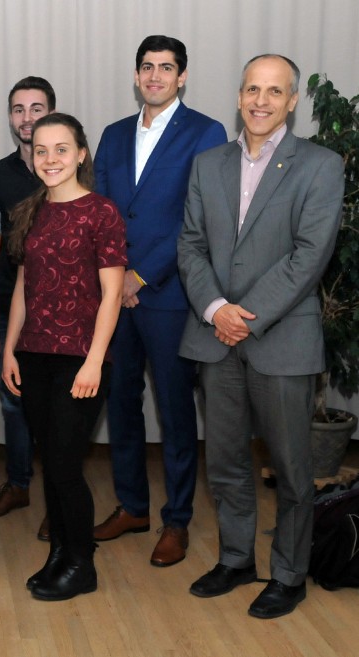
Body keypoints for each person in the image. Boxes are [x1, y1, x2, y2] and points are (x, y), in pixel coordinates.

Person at [178, 54, 343, 619]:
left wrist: (243, 315)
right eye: (252, 88)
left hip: (280, 340)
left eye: (275, 91)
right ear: (239, 94)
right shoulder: (208, 164)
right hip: (214, 336)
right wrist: (216, 309)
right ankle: (235, 559)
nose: (261, 101)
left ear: (293, 101)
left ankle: (290, 574)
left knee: (293, 470)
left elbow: (309, 257)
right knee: (224, 462)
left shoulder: (320, 165)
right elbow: (190, 246)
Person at [93, 35, 227, 567]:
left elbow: (198, 219)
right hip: (114, 295)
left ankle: (177, 521)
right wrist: (115, 276)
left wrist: (142, 275)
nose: (155, 76)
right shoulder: (113, 134)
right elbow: (103, 211)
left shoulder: (206, 132)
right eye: (147, 67)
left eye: (166, 68)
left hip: (169, 295)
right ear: (136, 74)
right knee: (120, 403)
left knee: (174, 411)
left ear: (182, 76)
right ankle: (131, 506)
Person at [3, 113, 126, 602]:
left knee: (66, 465)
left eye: (60, 149)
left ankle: (82, 564)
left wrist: (95, 361)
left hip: (81, 356)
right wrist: (10, 350)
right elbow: (21, 289)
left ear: (80, 154)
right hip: (34, 354)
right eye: (40, 150)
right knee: (49, 462)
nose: (49, 158)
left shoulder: (102, 212)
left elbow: (112, 295)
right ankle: (59, 553)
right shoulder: (30, 211)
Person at [0, 76, 55, 531]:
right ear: (10, 117)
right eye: (18, 109)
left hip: (59, 311)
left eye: (36, 107)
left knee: (54, 407)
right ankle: (18, 482)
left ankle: (57, 498)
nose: (27, 118)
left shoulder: (70, 167)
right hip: (8, 304)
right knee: (12, 402)